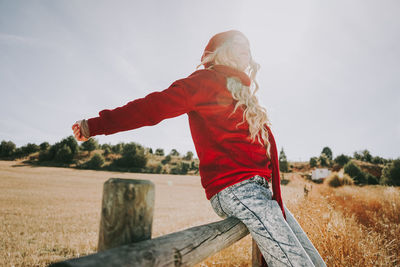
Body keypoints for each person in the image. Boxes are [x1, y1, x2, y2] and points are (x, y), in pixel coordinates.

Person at [72, 30, 315, 266]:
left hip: (262, 192)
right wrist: (93, 126)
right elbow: (151, 107)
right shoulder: (204, 82)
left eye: (249, 47)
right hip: (235, 189)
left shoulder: (242, 92)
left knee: (311, 258)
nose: (247, 51)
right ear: (219, 51)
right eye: (239, 44)